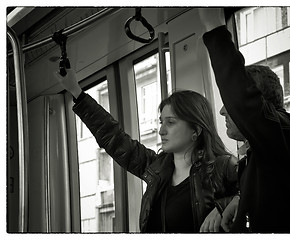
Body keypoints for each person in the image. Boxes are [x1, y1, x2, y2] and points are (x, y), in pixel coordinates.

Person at [54, 69, 238, 233]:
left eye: (171, 122)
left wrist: (223, 207)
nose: (161, 130)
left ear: (195, 131)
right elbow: (115, 138)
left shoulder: (223, 167)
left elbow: (256, 197)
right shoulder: (157, 167)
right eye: (161, 122)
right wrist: (76, 92)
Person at [199, 8, 290, 233]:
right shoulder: (260, 153)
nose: (223, 111)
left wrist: (213, 26)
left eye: (230, 104)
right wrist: (239, 201)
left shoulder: (289, 135)